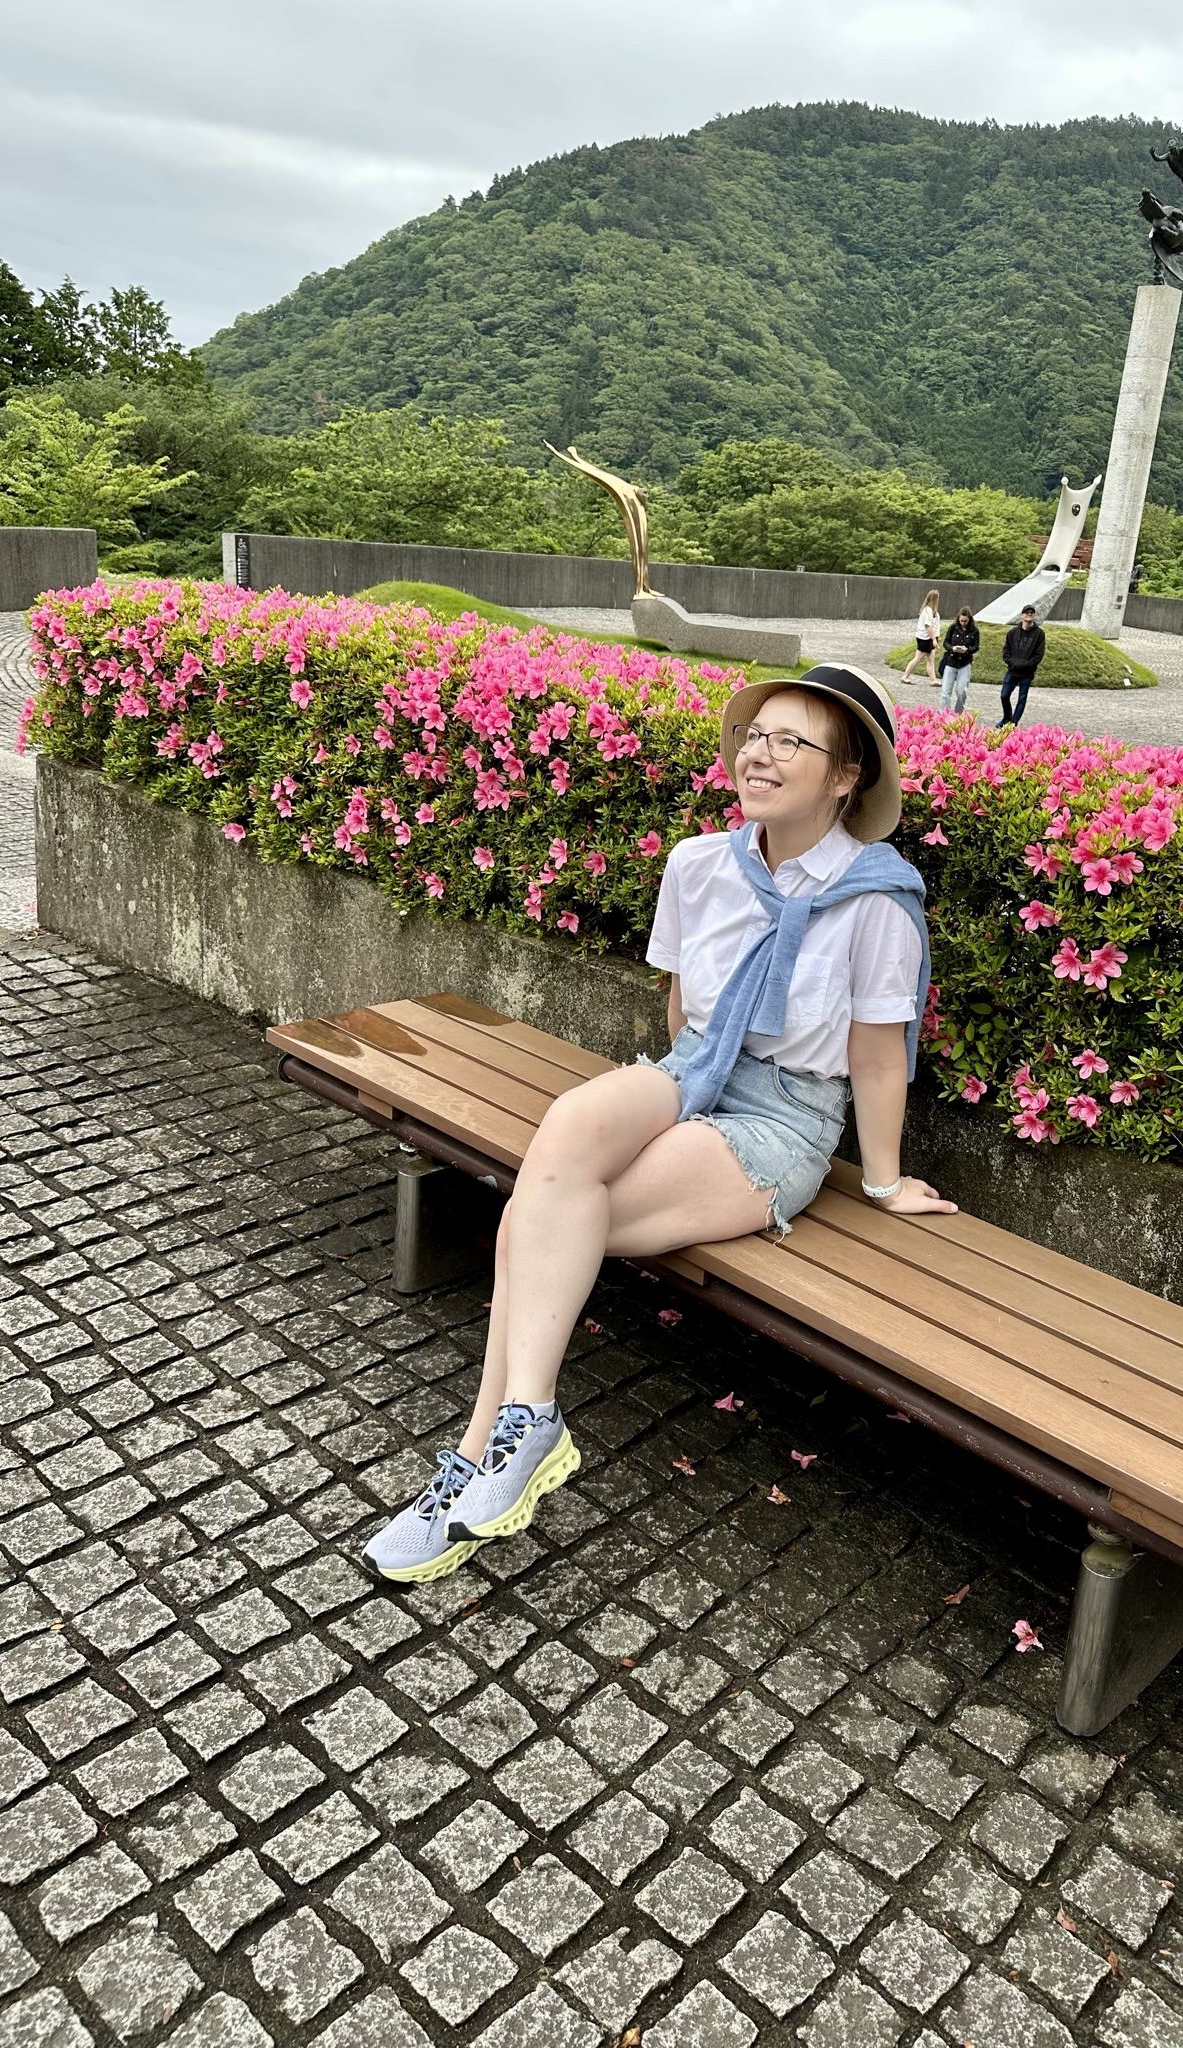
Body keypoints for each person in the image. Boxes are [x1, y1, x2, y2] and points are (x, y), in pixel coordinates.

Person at [362, 664, 957, 1583]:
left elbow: (878, 1057)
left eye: (792, 741)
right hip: (697, 1069)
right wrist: (668, 1099)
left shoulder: (878, 900)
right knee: (570, 1128)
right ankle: (526, 1427)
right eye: (756, 734)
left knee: (535, 1219)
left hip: (786, 1113)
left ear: (847, 777)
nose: (761, 753)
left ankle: (485, 1451)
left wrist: (880, 1178)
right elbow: (684, 1014)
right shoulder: (698, 864)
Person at [998, 605, 1046, 727]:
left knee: (1022, 699)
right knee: (1004, 695)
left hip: (1027, 673)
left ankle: (1013, 723)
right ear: (1022, 615)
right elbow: (1006, 651)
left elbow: (1038, 655)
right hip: (1012, 671)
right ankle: (1007, 717)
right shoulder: (1012, 633)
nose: (1029, 615)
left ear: (1034, 616)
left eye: (1031, 613)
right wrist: (1012, 663)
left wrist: (1026, 665)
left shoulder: (1039, 634)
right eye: (1027, 613)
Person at [939, 607, 980, 714]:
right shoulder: (953, 628)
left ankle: (958, 713)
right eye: (961, 621)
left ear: (969, 620)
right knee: (945, 692)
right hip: (951, 661)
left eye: (965, 621)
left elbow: (976, 646)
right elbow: (946, 643)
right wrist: (952, 648)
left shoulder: (974, 631)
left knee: (961, 692)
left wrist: (967, 650)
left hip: (964, 663)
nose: (963, 623)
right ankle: (944, 714)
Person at [901, 589, 942, 682]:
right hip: (925, 638)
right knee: (918, 658)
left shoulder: (931, 611)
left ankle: (933, 680)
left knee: (931, 659)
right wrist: (934, 639)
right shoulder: (928, 611)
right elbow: (928, 626)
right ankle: (905, 676)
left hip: (928, 637)